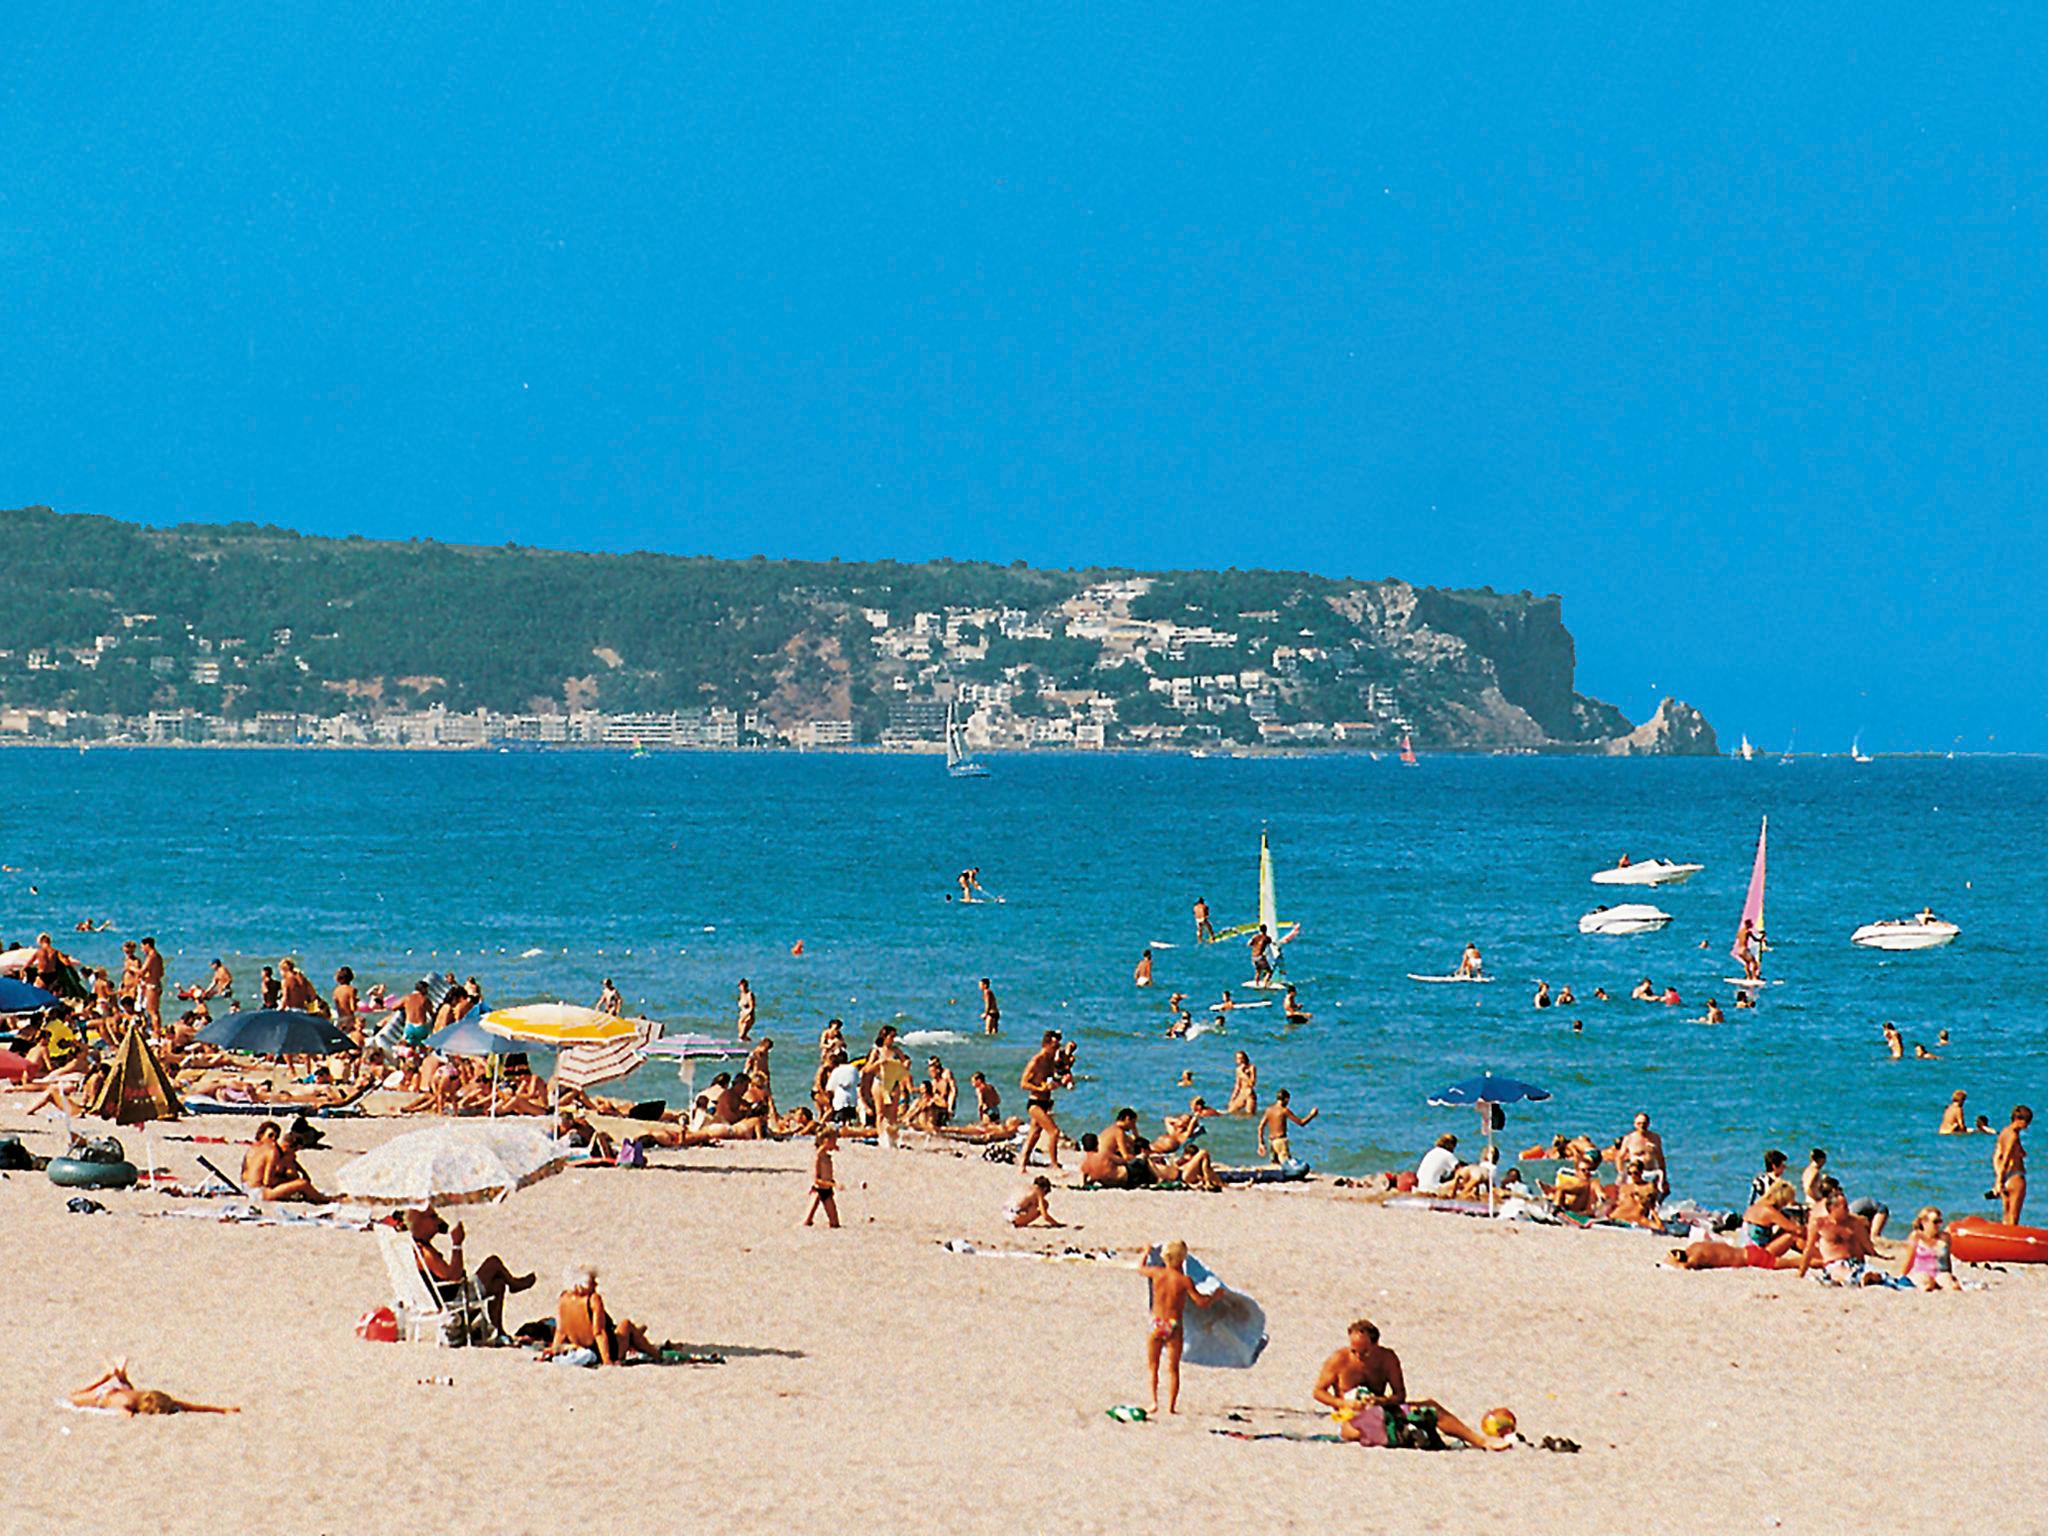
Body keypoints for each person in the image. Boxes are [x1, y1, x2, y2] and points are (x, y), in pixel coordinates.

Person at [1311, 1318, 1510, 1451]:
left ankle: (1481, 1441)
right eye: (1354, 1351)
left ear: (1376, 1344)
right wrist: (1345, 1404)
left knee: (1430, 1407)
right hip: (1353, 1415)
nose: (1358, 1356)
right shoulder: (1339, 1359)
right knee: (1352, 1432)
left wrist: (1381, 1400)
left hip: (1383, 1408)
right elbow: (1318, 1392)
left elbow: (1400, 1395)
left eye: (1364, 1352)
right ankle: (1407, 1434)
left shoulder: (1387, 1358)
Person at [405, 1207, 535, 1333]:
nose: (438, 1220)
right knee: (493, 1263)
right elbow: (454, 1276)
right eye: (433, 1217)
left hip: (441, 1296)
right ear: (420, 1223)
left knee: (498, 1284)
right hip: (453, 1298)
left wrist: (442, 1227)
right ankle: (514, 1284)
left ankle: (499, 1331)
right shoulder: (425, 1253)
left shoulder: (416, 1248)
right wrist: (457, 1244)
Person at [1139, 1240, 1216, 1415]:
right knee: (1173, 1369)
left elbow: (1140, 1268)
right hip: (1174, 1325)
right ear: (1183, 1260)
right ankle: (1171, 1407)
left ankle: (1153, 1402)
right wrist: (1215, 1296)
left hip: (1156, 1323)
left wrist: (1145, 1252)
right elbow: (1200, 1302)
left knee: (1153, 1365)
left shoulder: (1157, 1274)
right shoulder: (1184, 1281)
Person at [540, 1263, 661, 1364]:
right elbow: (598, 1332)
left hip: (581, 1347)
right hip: (601, 1350)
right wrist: (607, 1360)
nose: (596, 1285)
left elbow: (561, 1331)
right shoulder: (593, 1299)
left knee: (629, 1331)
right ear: (583, 1284)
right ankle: (656, 1354)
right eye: (593, 1282)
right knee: (626, 1324)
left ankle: (640, 1336)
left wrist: (554, 1350)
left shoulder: (564, 1298)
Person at [70, 1359, 238, 1416]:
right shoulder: (125, 1405)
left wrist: (222, 1410)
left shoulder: (143, 1395)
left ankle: (116, 1375)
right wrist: (222, 1410)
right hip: (107, 1395)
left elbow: (189, 1406)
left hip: (122, 1389)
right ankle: (107, 1376)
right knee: (75, 1397)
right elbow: (125, 1415)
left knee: (122, 1386)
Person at [1798, 1180, 1884, 1285]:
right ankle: (1862, 1278)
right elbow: (1809, 1249)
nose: (1848, 1210)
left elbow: (1867, 1245)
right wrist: (1801, 1273)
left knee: (1880, 1274)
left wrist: (1879, 1256)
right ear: (1833, 1208)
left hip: (1857, 1262)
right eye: (1845, 1207)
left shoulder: (1855, 1222)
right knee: (1843, 1273)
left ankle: (1868, 1277)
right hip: (1834, 1263)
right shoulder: (1820, 1224)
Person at [241, 1120, 328, 1203]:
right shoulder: (272, 1150)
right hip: (258, 1193)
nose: (273, 1139)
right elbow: (267, 1182)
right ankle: (325, 1199)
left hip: (245, 1188)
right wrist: (286, 1181)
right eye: (270, 1135)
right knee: (302, 1184)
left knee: (295, 1182)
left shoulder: (254, 1147)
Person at [1018, 1031, 1064, 1170]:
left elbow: (1051, 1078)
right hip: (1035, 1102)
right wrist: (1041, 1088)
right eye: (1055, 1045)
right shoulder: (1036, 1061)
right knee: (1054, 1132)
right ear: (1047, 1044)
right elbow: (1023, 1083)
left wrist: (1060, 1082)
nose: (1057, 1048)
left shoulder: (1050, 1061)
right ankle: (1054, 1164)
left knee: (1034, 1134)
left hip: (1045, 1102)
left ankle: (1023, 1163)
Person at [1896, 1207, 1961, 1291]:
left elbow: (1947, 1259)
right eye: (1935, 1222)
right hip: (1922, 1272)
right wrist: (1902, 1275)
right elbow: (1909, 1259)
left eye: (1940, 1221)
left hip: (1941, 1272)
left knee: (1953, 1287)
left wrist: (1950, 1275)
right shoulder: (1916, 1236)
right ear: (1924, 1222)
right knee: (1927, 1285)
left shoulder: (1945, 1237)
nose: (1938, 1225)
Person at [1742, 1180, 1805, 1265]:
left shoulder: (1756, 1206)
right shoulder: (1769, 1211)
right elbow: (1797, 1230)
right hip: (1758, 1254)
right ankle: (1819, 1256)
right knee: (1792, 1236)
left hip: (1746, 1251)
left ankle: (1816, 1256)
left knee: (1785, 1232)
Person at [1258, 1088, 1317, 1164]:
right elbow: (1301, 1123)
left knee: (1275, 1165)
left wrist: (1261, 1143)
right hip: (1281, 1142)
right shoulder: (1284, 1110)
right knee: (1286, 1165)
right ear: (1286, 1099)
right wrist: (1312, 1115)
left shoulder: (1269, 1110)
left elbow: (1260, 1127)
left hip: (1272, 1142)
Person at [1995, 1105, 2032, 1224]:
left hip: (2006, 1176)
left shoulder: (2004, 1132)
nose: (2027, 1126)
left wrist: (1999, 1177)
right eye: (2026, 1122)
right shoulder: (2013, 1136)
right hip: (2016, 1176)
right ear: (2019, 1120)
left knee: (2006, 1215)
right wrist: (1999, 1181)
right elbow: (2006, 1157)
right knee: (2013, 1217)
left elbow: (1997, 1157)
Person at [1619, 1112, 1667, 1192]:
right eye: (1639, 1123)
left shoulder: (1655, 1138)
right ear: (1634, 1124)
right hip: (1635, 1174)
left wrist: (1664, 1178)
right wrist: (1621, 1174)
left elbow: (1660, 1158)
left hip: (1651, 1172)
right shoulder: (1629, 1138)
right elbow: (1620, 1157)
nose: (1642, 1125)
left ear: (1648, 1124)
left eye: (1644, 1123)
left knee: (1656, 1195)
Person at [802, 1126, 839, 1228]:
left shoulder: (826, 1156)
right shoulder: (818, 1157)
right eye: (834, 1140)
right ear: (826, 1141)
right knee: (807, 1221)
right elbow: (817, 1180)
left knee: (835, 1222)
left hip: (827, 1189)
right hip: (819, 1190)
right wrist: (834, 1184)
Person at [137, 935, 165, 1030]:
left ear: (147, 945)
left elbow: (142, 971)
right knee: (155, 1011)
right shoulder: (158, 956)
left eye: (142, 947)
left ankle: (156, 1032)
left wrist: (131, 969)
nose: (142, 950)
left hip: (152, 986)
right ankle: (157, 1030)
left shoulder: (151, 956)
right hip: (157, 983)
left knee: (152, 1011)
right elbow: (161, 973)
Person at [925, 1055, 957, 1125]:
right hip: (939, 1102)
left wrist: (950, 1107)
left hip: (946, 1102)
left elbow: (953, 1090)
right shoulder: (934, 1080)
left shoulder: (946, 1073)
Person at [1226, 1051, 1258, 1116]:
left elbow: (1252, 1083)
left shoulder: (1251, 1067)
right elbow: (1237, 1086)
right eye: (1238, 1058)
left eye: (1242, 1058)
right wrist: (1232, 1099)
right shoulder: (1238, 1070)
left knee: (1249, 1115)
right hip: (1241, 1094)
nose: (1240, 1060)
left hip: (1249, 1094)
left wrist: (1243, 1074)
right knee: (1230, 1111)